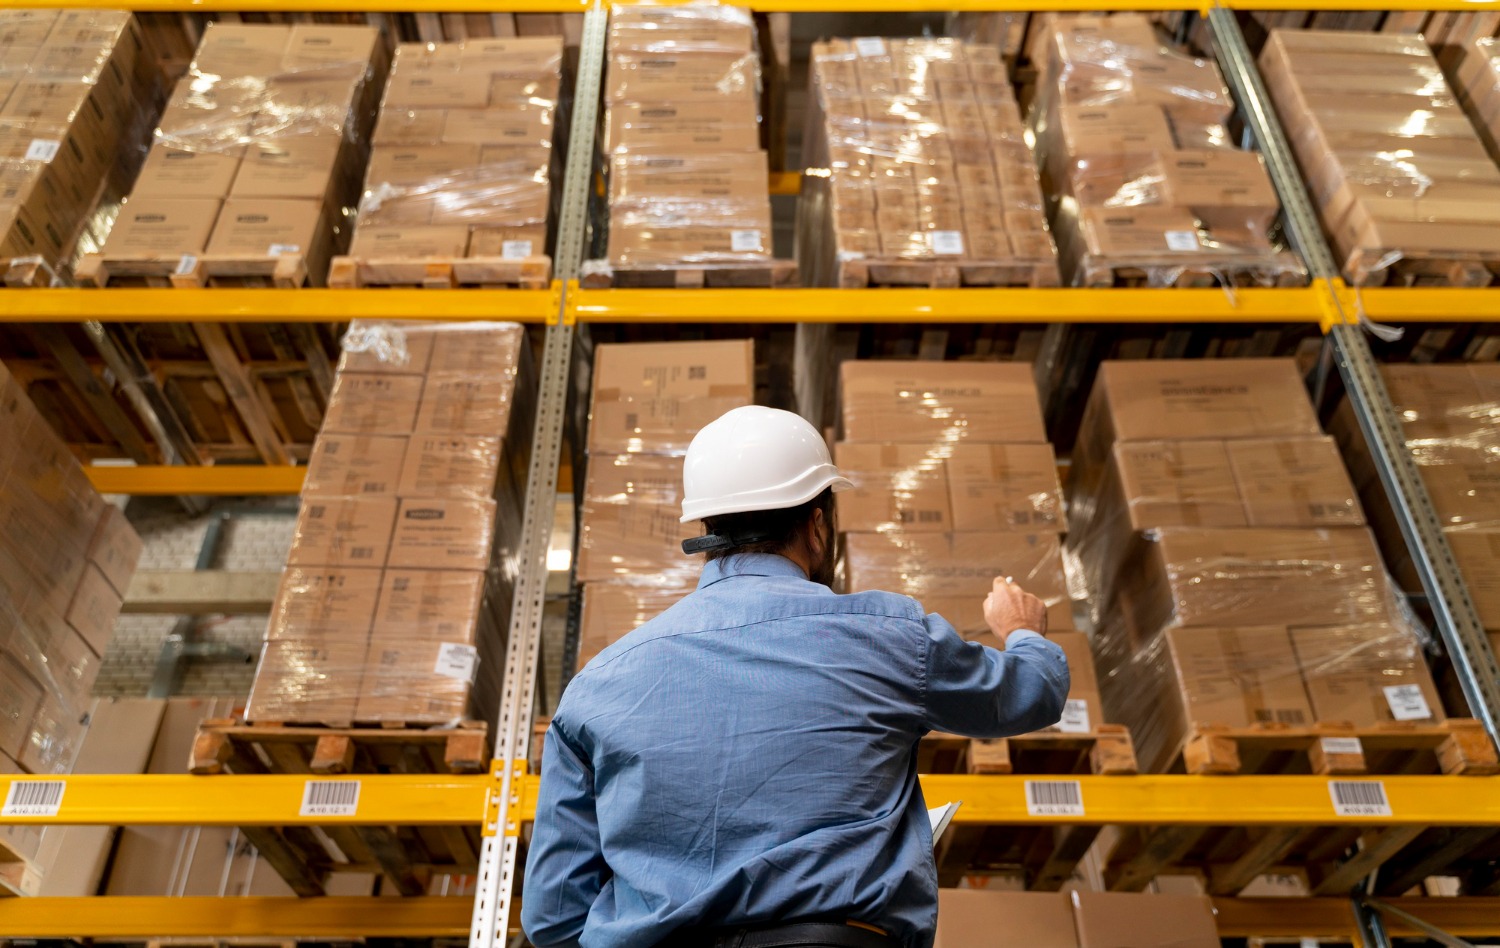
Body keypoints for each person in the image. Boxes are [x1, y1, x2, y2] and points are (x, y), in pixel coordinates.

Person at [523, 405, 1071, 948]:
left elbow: (554, 916)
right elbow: (1029, 694)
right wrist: (1023, 630)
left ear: (707, 528)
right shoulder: (888, 636)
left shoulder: (595, 688)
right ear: (816, 526)